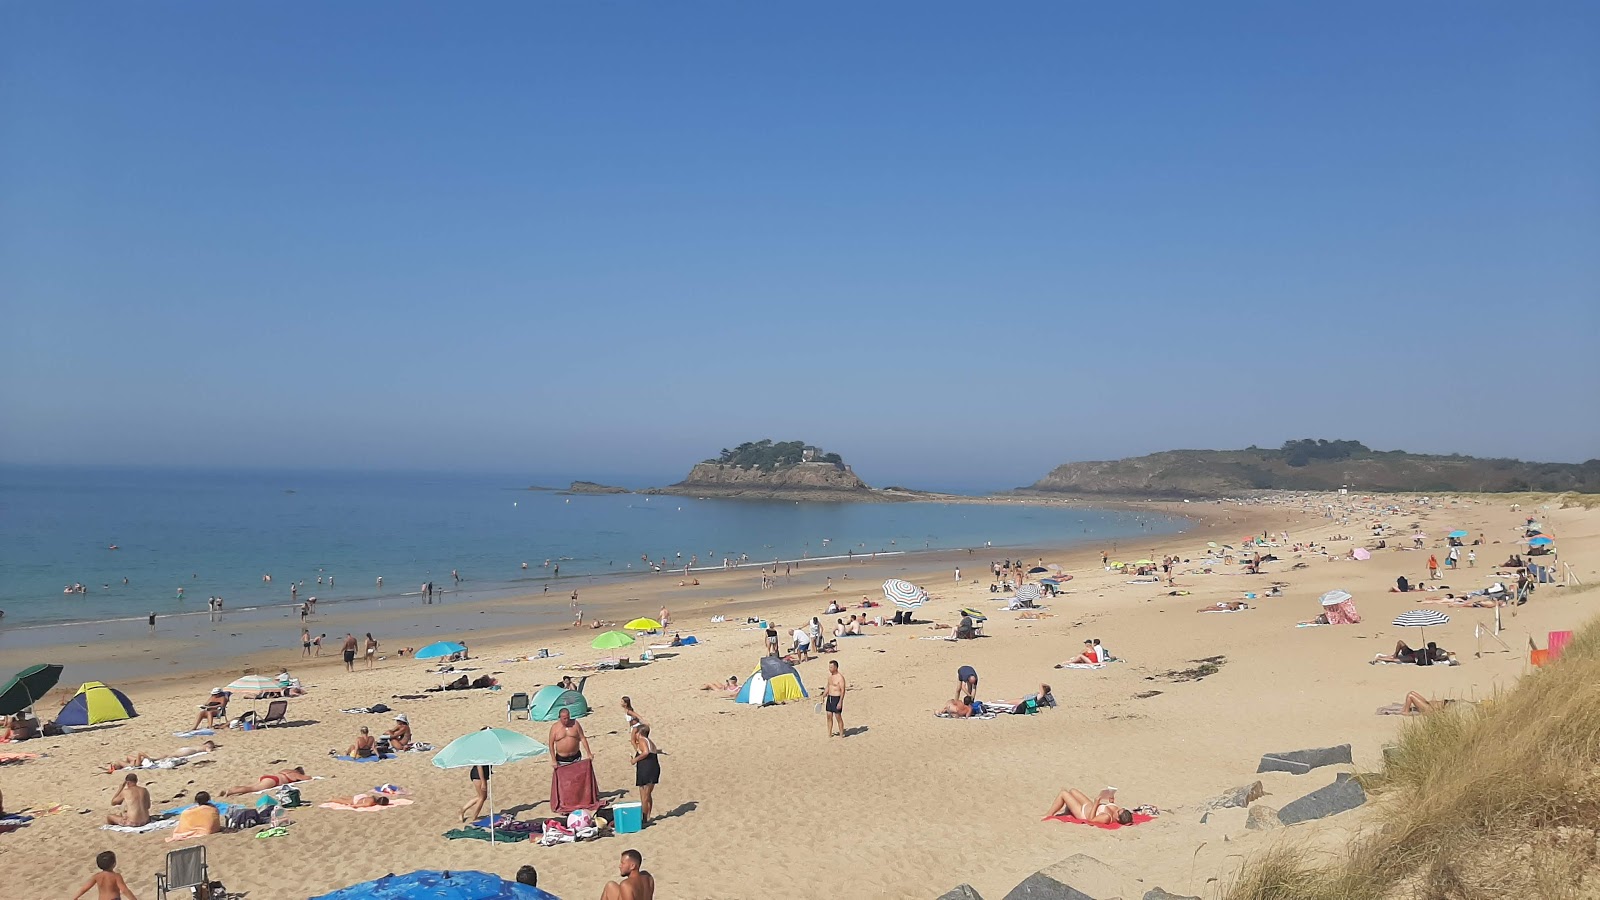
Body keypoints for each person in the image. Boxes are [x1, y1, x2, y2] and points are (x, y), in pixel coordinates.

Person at [1044, 786, 1133, 825]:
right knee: (1072, 791)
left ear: (1117, 818)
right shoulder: (1116, 810)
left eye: (1118, 811)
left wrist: (1096, 803)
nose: (1117, 809)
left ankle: (1049, 814)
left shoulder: (1106, 817)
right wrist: (1111, 799)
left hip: (1082, 813)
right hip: (1088, 805)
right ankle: (1068, 811)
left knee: (1063, 793)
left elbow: (1091, 820)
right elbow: (1111, 804)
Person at [71, 850, 138, 900]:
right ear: (114, 864)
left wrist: (75, 897)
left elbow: (84, 888)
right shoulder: (116, 876)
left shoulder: (97, 876)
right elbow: (124, 890)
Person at [631, 723, 660, 824]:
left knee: (644, 795)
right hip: (651, 767)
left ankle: (644, 818)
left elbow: (646, 752)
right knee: (647, 794)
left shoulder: (643, 740)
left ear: (639, 733)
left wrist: (635, 760)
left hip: (647, 768)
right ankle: (647, 816)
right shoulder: (649, 741)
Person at [221, 766, 307, 797]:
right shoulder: (295, 774)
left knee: (249, 786)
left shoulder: (286, 770)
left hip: (268, 777)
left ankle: (230, 790)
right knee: (253, 789)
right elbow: (306, 778)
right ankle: (230, 792)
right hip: (273, 781)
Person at [1372, 640, 1452, 665]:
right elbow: (1441, 657)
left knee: (1400, 644)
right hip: (1412, 656)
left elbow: (1443, 656)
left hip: (1413, 654)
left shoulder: (1431, 654)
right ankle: (1380, 658)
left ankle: (1393, 655)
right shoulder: (1432, 655)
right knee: (1397, 659)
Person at [1378, 691, 1456, 715]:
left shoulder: (1449, 709)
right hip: (1429, 704)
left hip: (1429, 709)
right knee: (1411, 692)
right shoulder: (1451, 705)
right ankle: (1406, 708)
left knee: (1410, 696)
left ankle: (1406, 711)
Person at [825, 659, 847, 738]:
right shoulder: (830, 677)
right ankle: (829, 733)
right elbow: (828, 686)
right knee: (829, 715)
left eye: (831, 667)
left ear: (836, 667)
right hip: (829, 698)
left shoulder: (840, 678)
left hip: (836, 698)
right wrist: (823, 695)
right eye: (829, 667)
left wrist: (840, 701)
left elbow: (843, 690)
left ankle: (841, 733)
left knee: (838, 716)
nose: (829, 669)